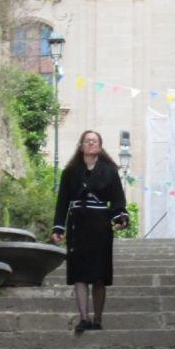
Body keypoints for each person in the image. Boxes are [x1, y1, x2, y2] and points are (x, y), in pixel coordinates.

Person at [51, 130, 129, 334]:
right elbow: (62, 203)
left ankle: (98, 318)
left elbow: (118, 200)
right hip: (78, 224)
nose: (91, 143)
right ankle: (84, 318)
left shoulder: (110, 172)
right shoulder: (69, 172)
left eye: (94, 141)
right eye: (87, 141)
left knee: (99, 275)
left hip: (100, 226)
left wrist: (120, 217)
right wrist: (59, 226)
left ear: (100, 147)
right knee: (79, 274)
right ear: (81, 146)